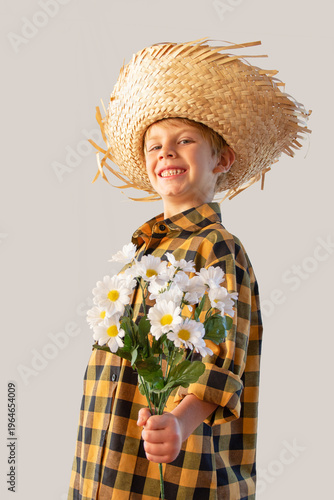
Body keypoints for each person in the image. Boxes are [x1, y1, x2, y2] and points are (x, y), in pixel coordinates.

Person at [68, 39, 310, 500]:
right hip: (106, 458)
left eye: (185, 141)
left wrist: (180, 421)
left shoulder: (217, 249)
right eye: (155, 145)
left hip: (175, 470)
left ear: (222, 159)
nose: (167, 153)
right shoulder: (140, 251)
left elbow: (223, 359)